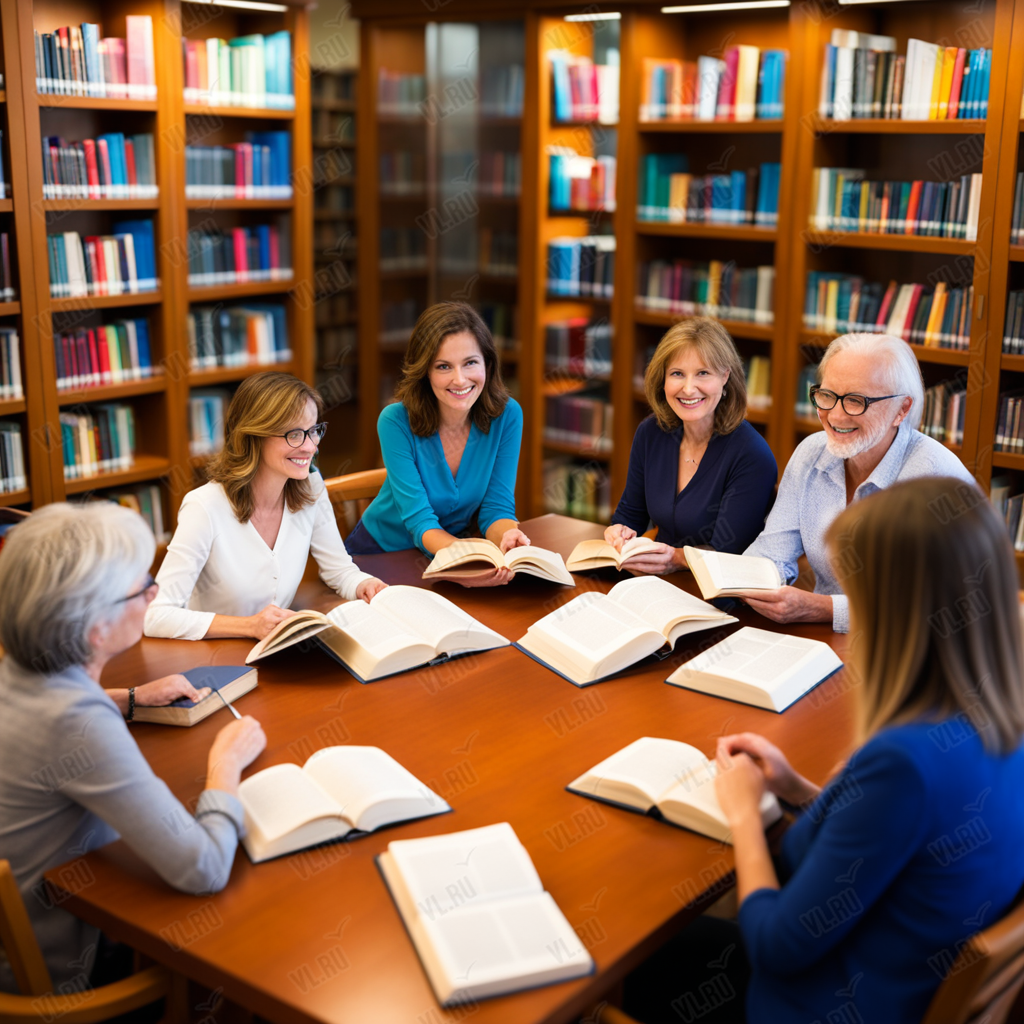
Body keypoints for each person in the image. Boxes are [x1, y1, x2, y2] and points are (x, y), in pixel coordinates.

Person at [625, 476, 1024, 1023]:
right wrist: (801, 791)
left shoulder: (904, 762)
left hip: (821, 1001)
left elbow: (776, 946)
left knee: (633, 952)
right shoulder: (998, 720)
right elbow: (901, 840)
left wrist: (744, 816)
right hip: (900, 976)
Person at [0, 503, 267, 993]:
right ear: (95, 629)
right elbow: (202, 868)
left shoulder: (16, 668)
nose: (155, 592)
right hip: (73, 969)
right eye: (140, 588)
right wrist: (225, 763)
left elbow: (50, 712)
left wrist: (130, 698)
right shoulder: (78, 724)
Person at [740, 332, 975, 631]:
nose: (835, 415)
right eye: (827, 396)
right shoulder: (811, 453)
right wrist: (748, 579)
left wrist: (823, 608)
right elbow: (772, 551)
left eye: (856, 401)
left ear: (901, 410)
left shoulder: (936, 478)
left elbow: (933, 604)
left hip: (915, 650)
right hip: (824, 637)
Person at [145, 372, 385, 640]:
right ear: (253, 436)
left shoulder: (310, 485)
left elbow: (340, 571)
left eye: (314, 430)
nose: (310, 447)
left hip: (275, 648)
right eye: (294, 434)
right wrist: (250, 626)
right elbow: (157, 615)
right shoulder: (204, 507)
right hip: (216, 658)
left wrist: (366, 584)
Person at [347, 302, 529, 586]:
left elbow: (497, 508)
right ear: (425, 372)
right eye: (443, 366)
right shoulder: (395, 421)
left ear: (487, 364)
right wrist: (468, 558)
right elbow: (420, 521)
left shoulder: (507, 416)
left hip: (448, 553)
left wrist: (506, 535)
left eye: (470, 362)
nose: (460, 379)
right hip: (382, 556)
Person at [603, 317, 777, 574]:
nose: (688, 389)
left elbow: (728, 553)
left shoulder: (751, 455)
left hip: (719, 592)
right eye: (677, 374)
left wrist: (673, 557)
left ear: (725, 377)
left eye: (703, 373)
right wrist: (618, 531)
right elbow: (631, 515)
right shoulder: (651, 433)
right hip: (656, 580)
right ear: (662, 380)